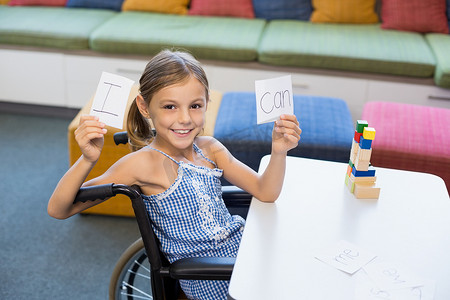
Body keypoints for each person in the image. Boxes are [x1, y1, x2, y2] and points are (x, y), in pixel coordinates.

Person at [48, 49, 301, 299]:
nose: (184, 119)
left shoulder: (210, 148)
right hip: (210, 276)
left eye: (195, 106)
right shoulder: (142, 163)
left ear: (206, 103)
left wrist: (279, 151)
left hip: (241, 252)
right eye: (170, 106)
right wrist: (87, 160)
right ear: (145, 107)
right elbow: (59, 209)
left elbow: (266, 192)